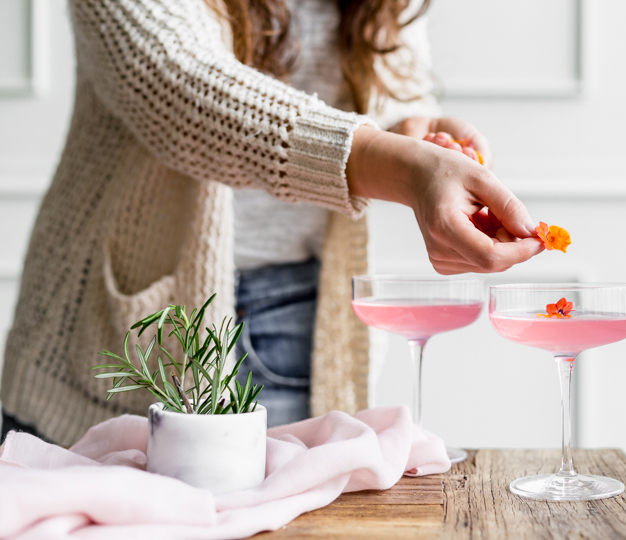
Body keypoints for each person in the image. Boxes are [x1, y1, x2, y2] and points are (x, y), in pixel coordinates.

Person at [0, 0, 542, 446]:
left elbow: (395, 76)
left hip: (301, 316)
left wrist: (413, 129)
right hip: (116, 327)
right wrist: (396, 165)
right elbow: (174, 82)